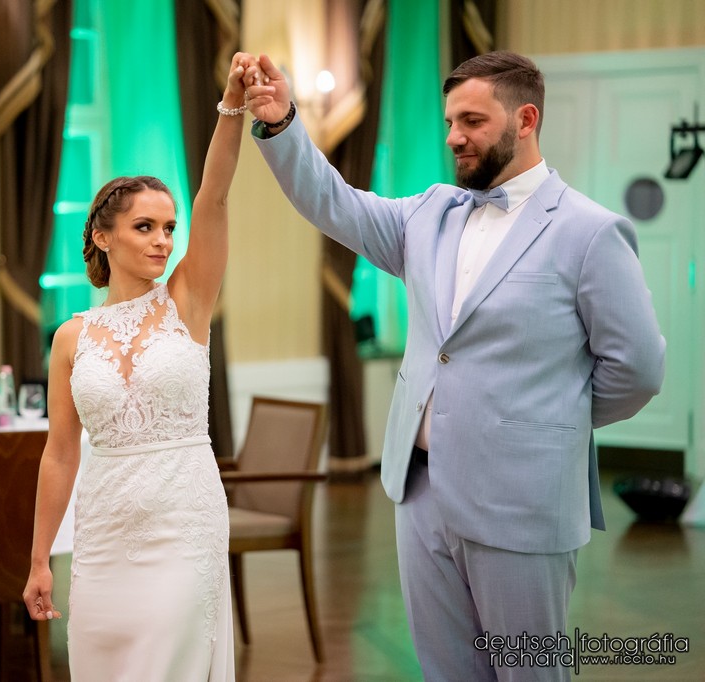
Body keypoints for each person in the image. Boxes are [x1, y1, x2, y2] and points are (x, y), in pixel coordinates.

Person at [244, 51, 665, 681]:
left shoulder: (591, 233)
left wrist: (545, 418)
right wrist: (282, 123)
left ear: (526, 120)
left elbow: (638, 369)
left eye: (471, 121)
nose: (453, 137)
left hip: (522, 498)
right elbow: (333, 202)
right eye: (449, 122)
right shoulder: (428, 214)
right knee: (445, 671)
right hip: (420, 493)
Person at [21, 54, 250, 680]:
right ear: (103, 236)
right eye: (145, 227)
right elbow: (59, 455)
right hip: (104, 531)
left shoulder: (188, 303)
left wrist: (232, 106)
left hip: (185, 522)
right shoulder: (70, 338)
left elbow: (214, 196)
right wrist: (40, 559)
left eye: (168, 228)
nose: (162, 240)